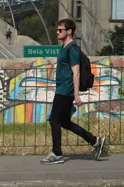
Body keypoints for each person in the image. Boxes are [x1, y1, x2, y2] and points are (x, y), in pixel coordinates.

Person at [41, 19, 105, 165]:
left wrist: (76, 95)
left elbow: (76, 72)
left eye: (60, 30)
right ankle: (94, 141)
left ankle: (57, 153)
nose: (57, 32)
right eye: (57, 30)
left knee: (54, 120)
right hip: (62, 88)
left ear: (69, 31)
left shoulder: (72, 49)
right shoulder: (64, 48)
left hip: (66, 90)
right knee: (64, 122)